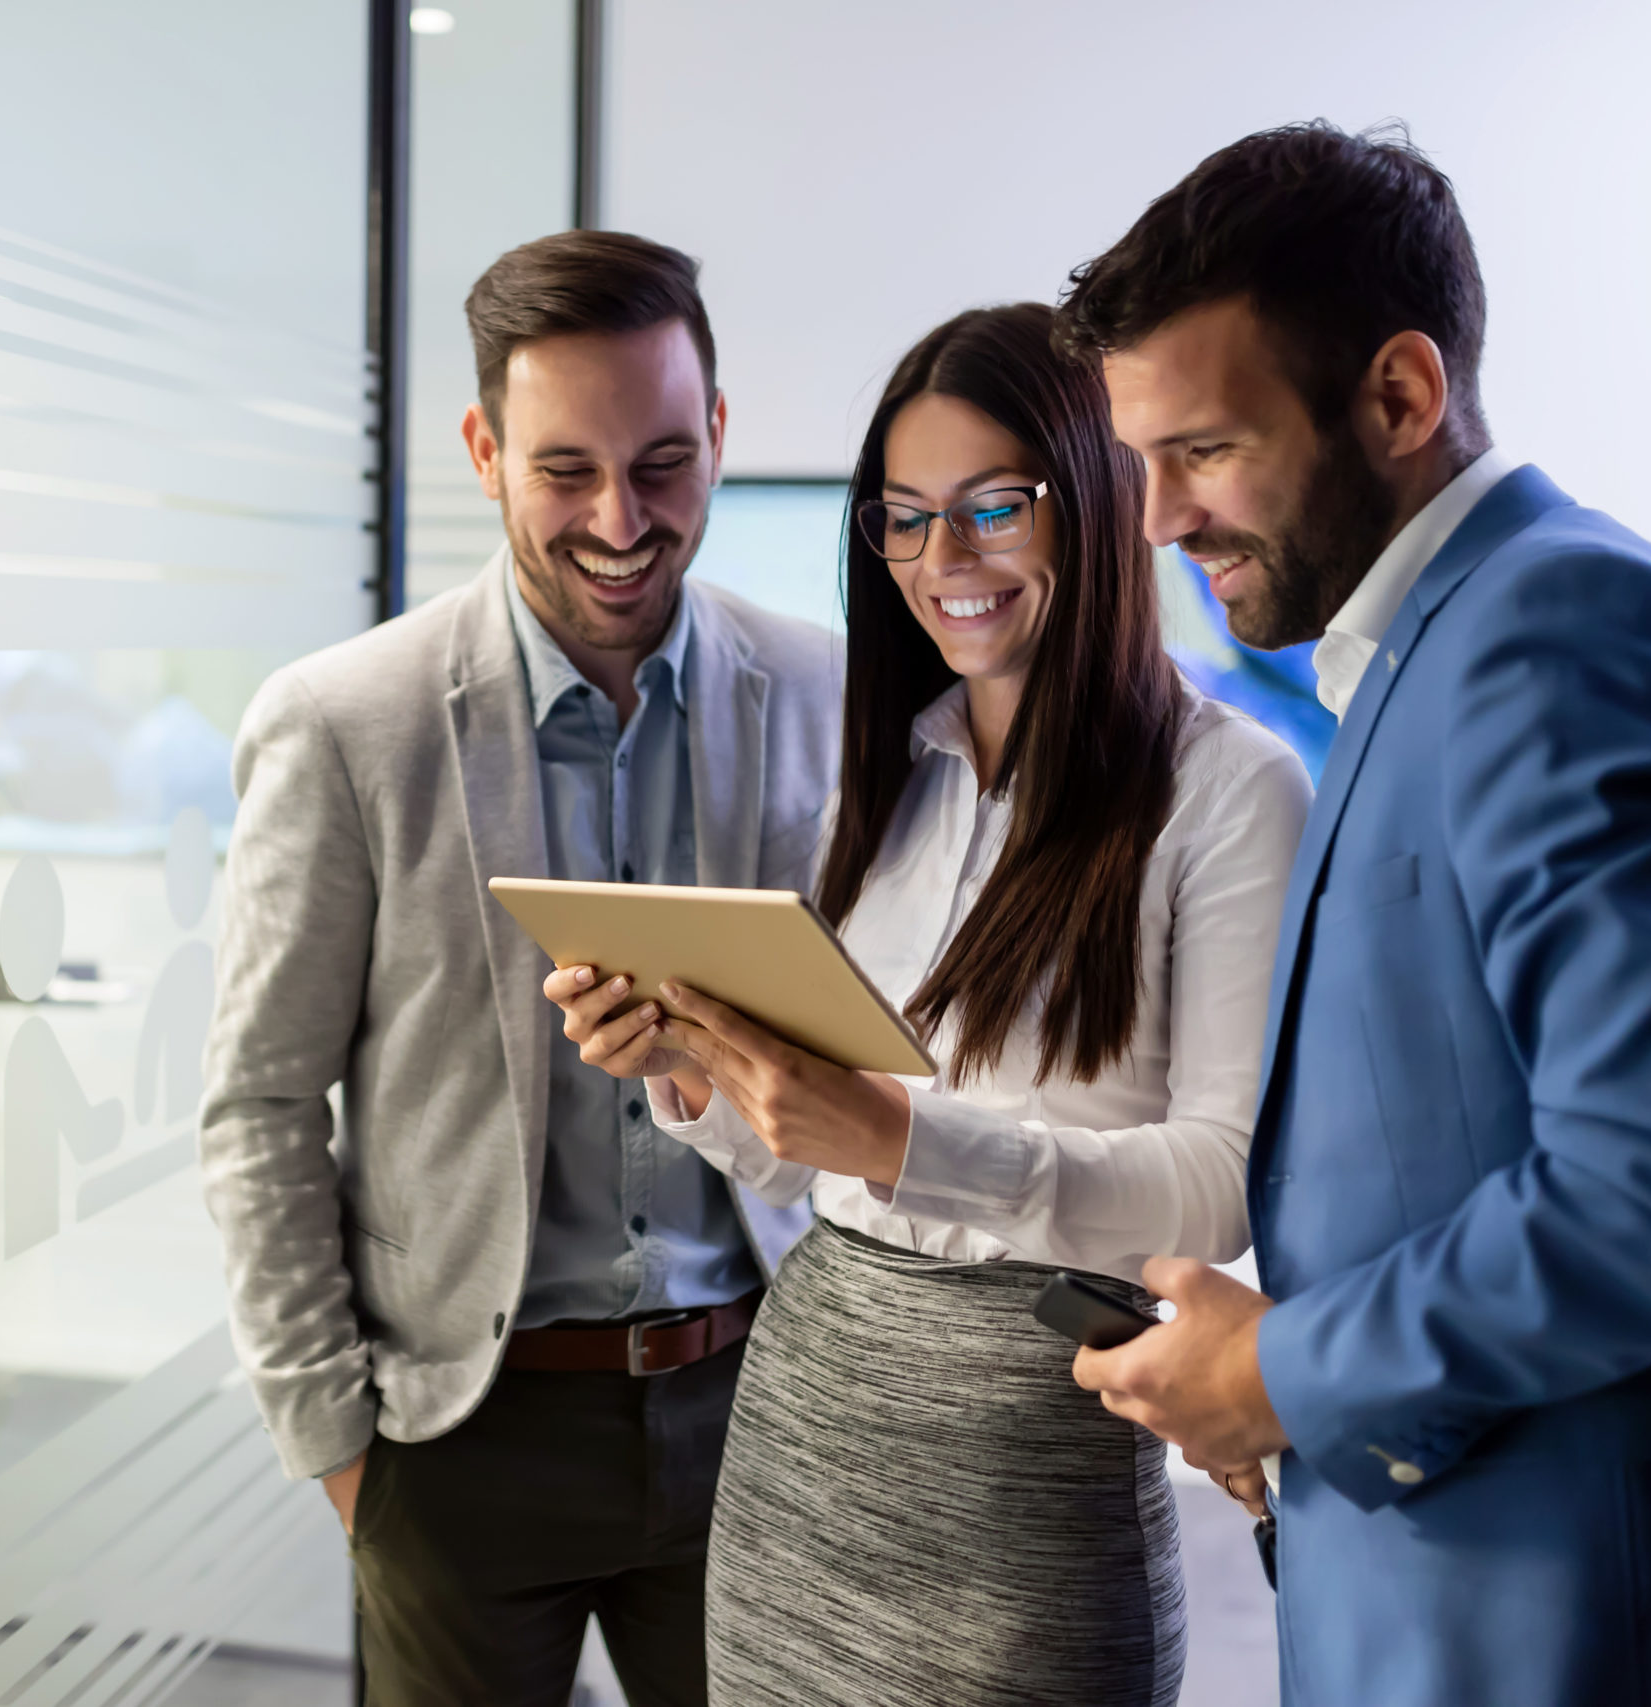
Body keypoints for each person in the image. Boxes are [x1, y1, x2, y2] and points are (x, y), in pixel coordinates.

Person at [1058, 123, 1651, 1705]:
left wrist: (1282, 1371)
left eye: (1203, 451)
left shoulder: (1557, 630)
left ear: (1401, 397)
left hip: (1569, 1645)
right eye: (1139, 462)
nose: (1153, 521)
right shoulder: (1414, 657)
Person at [548, 303, 1310, 1707]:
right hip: (807, 1433)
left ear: (1094, 502)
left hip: (1027, 1459)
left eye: (989, 511)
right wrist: (703, 1079)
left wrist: (902, 1137)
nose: (939, 564)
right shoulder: (891, 775)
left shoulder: (1231, 791)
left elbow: (1217, 1186)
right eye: (902, 520)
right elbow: (813, 1158)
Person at [198, 230, 841, 1707]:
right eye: (566, 471)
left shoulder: (824, 695)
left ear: (721, 436)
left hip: (757, 1409)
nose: (622, 519)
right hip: (458, 1438)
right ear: (484, 450)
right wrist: (340, 1450)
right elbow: (258, 1106)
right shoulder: (346, 724)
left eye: (666, 463)